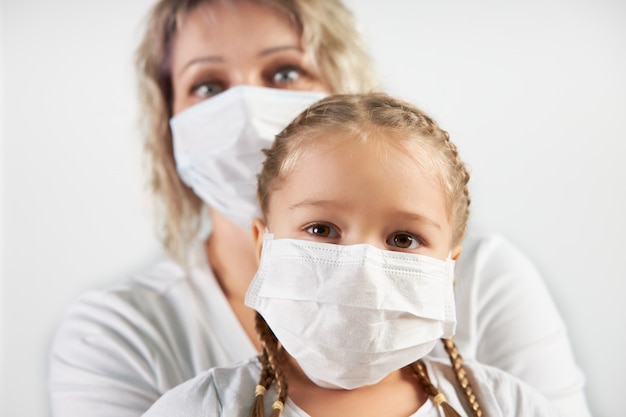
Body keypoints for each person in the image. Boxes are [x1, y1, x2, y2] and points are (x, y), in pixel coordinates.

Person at [48, 1, 590, 416]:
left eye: (284, 72)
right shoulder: (134, 343)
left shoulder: (495, 353)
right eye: (207, 84)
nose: (245, 110)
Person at [141, 92, 558, 417]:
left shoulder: (507, 405)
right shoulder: (202, 408)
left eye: (403, 239)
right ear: (263, 246)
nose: (363, 269)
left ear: (450, 267)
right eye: (321, 230)